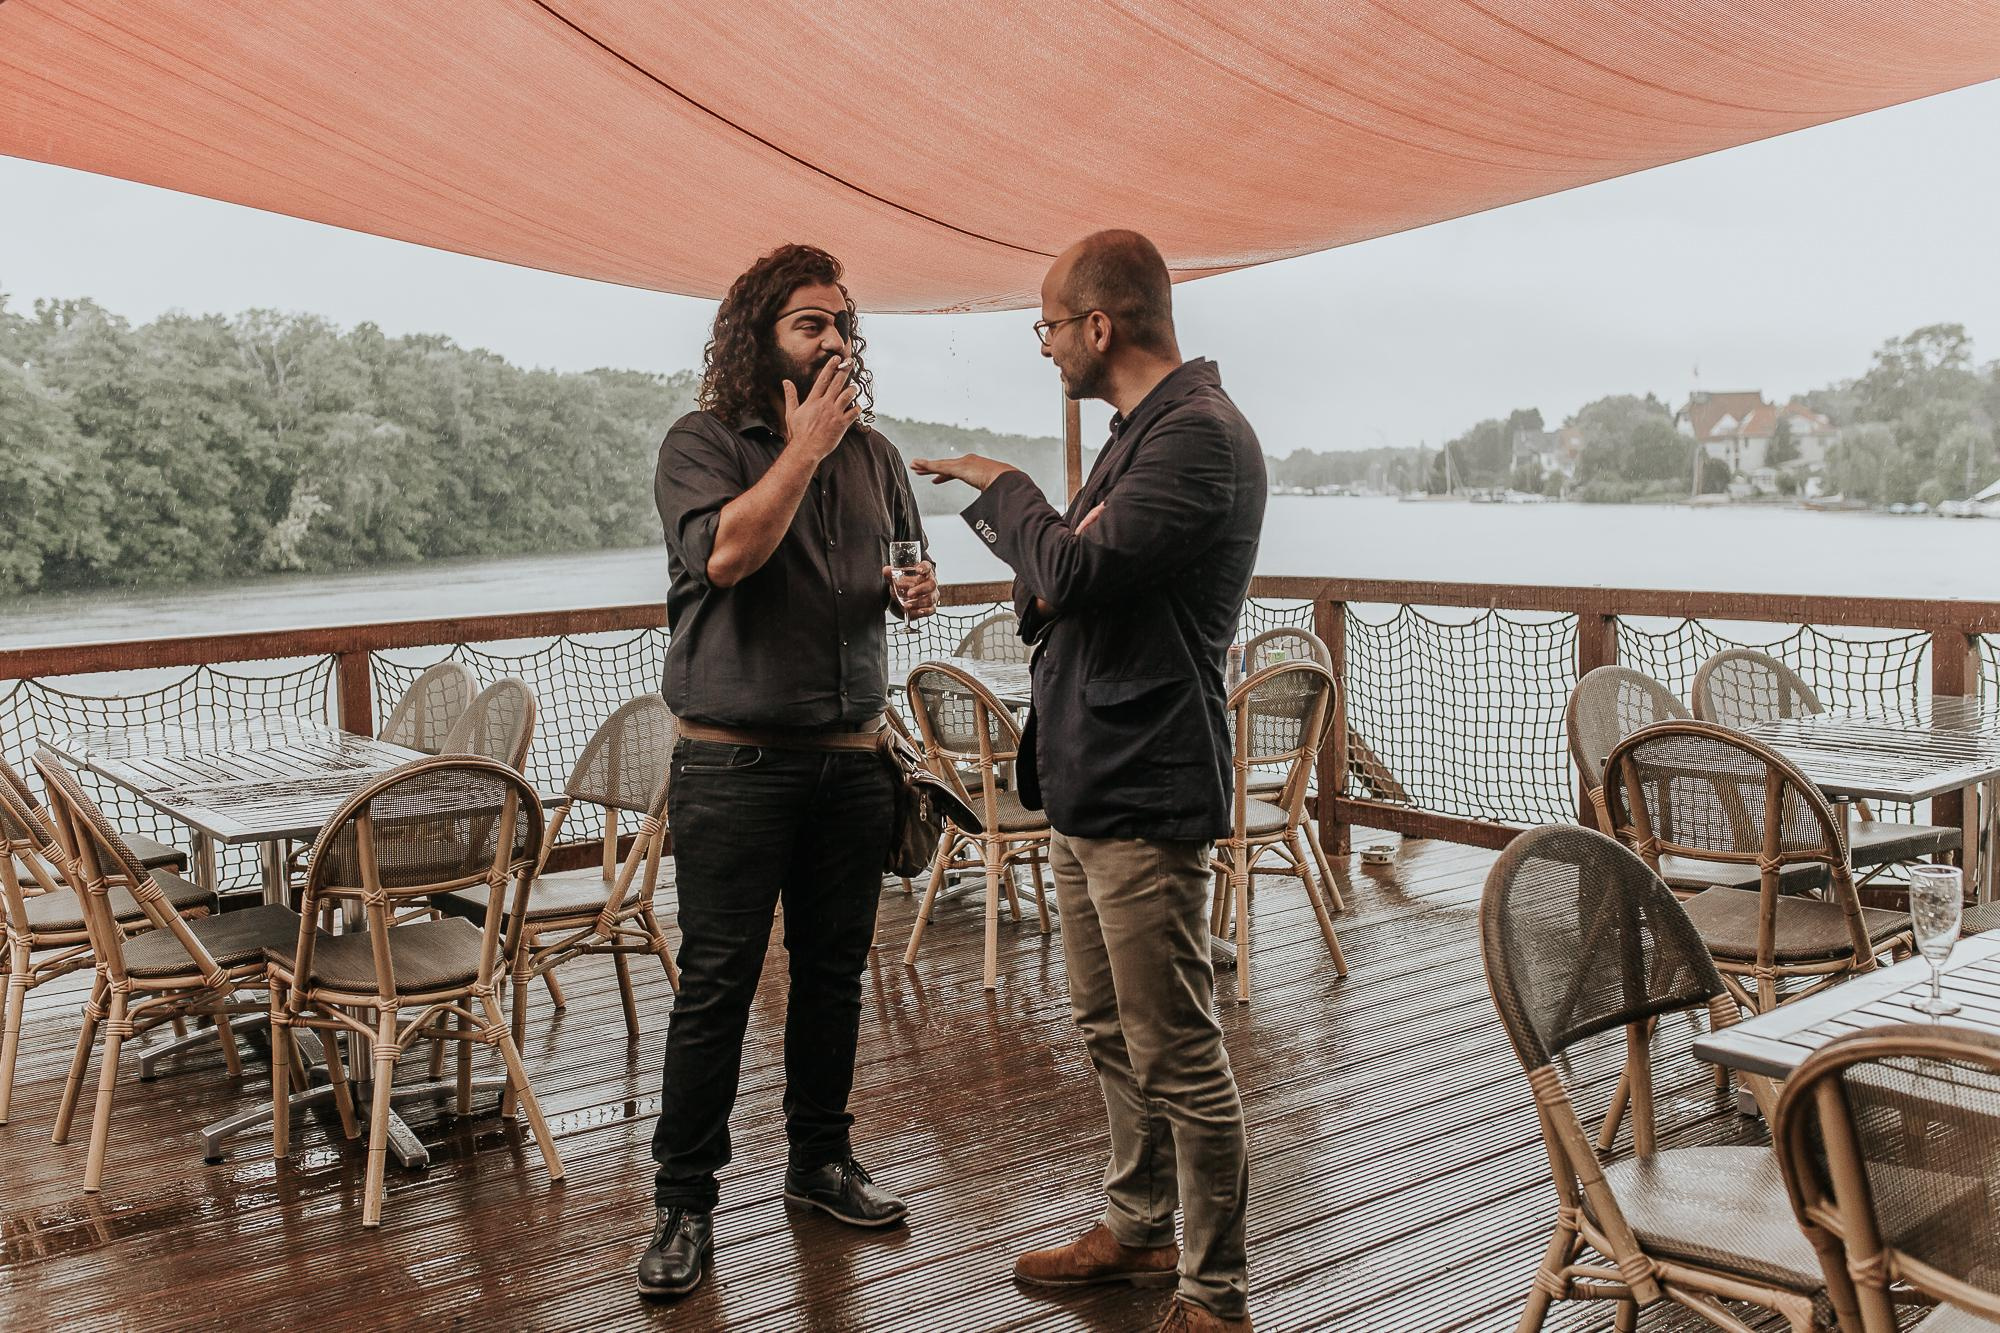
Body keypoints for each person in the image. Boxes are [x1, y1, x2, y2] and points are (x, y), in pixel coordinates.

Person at [912, 230, 1265, 1333]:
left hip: (1146, 784)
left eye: (1050, 325)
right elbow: (1053, 585)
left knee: (1178, 1048)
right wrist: (1057, 556)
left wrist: (1005, 486)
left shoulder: (1197, 437)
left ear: (1099, 326)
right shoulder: (1139, 434)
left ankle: (1215, 1293)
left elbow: (1064, 565)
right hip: (1084, 777)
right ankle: (1139, 1225)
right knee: (1107, 1025)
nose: (1045, 344)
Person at [639, 243, 937, 1300]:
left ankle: (819, 1163)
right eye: (812, 323)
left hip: (853, 761)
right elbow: (726, 555)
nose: (835, 341)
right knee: (717, 986)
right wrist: (804, 447)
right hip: (734, 765)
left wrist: (913, 590)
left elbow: (906, 565)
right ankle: (684, 1203)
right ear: (757, 335)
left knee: (833, 977)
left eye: (844, 324)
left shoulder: (877, 454)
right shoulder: (702, 442)